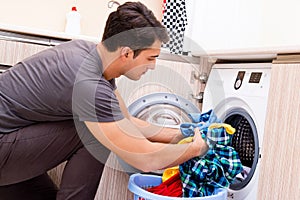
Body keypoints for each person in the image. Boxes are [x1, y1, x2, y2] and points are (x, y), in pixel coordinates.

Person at [0, 2, 208, 200]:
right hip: (4, 145)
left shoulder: (91, 56)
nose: (152, 66)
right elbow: (145, 158)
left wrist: (182, 133)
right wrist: (195, 149)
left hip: (12, 137)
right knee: (94, 132)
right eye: (151, 58)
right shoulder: (90, 84)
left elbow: (126, 122)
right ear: (126, 53)